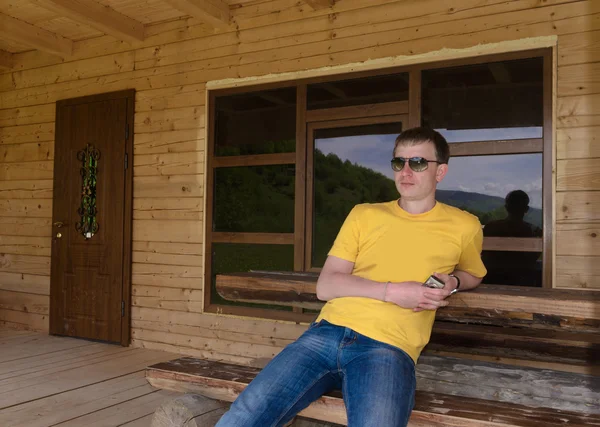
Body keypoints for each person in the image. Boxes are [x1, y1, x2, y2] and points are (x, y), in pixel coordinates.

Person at [215, 127, 487, 427]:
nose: (406, 171)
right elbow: (326, 285)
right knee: (244, 416)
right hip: (326, 333)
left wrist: (453, 282)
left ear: (441, 171)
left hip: (389, 348)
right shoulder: (364, 215)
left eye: (418, 162)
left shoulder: (464, 225)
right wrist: (395, 292)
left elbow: (472, 272)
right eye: (399, 162)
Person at [482, 190, 542, 286]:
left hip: (491, 279)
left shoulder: (491, 227)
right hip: (522, 281)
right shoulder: (532, 231)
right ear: (526, 209)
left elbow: (483, 254)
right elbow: (532, 258)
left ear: (507, 207)